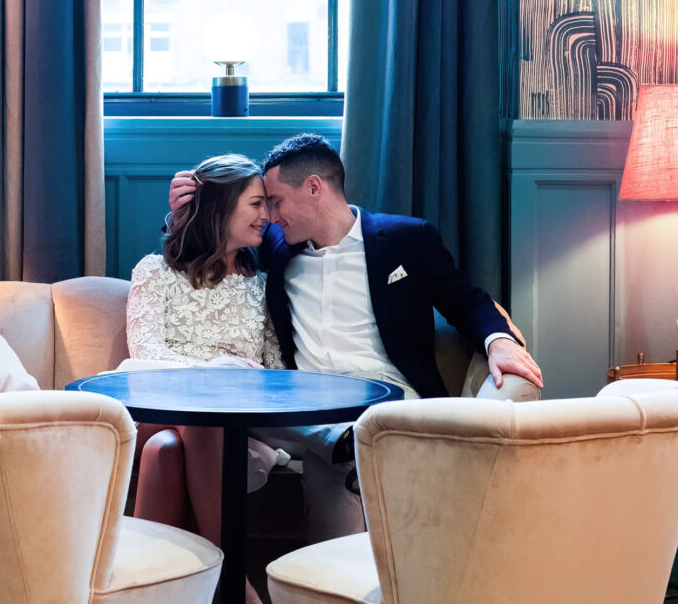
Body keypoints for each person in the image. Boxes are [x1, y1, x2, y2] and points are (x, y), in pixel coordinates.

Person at [169, 134, 543, 478]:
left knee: (363, 444)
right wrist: (185, 209)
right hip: (310, 408)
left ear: (314, 187)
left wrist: (500, 341)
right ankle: (337, 444)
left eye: (276, 201)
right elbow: (218, 234)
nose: (270, 215)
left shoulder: (407, 239)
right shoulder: (279, 245)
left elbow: (466, 299)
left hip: (390, 401)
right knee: (232, 388)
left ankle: (352, 447)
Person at [127, 154, 284, 604]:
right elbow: (145, 352)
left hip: (230, 429)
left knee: (167, 452)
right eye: (257, 204)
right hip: (158, 408)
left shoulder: (262, 286)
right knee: (197, 411)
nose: (268, 216)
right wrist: (215, 375)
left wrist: (235, 383)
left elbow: (276, 372)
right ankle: (238, 594)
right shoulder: (154, 272)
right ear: (220, 208)